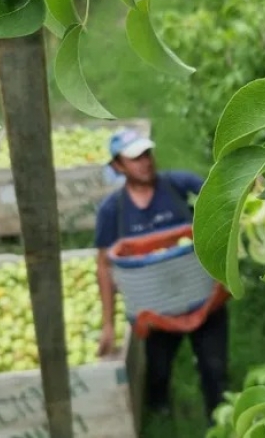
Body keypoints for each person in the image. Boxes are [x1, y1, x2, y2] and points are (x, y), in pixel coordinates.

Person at [93, 128, 229, 423]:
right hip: (156, 308)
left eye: (147, 154)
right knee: (158, 369)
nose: (145, 162)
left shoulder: (178, 186)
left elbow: (219, 195)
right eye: (135, 158)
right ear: (118, 166)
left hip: (201, 299)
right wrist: (108, 324)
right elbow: (104, 266)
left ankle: (220, 421)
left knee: (214, 369)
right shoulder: (112, 211)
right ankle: (160, 411)